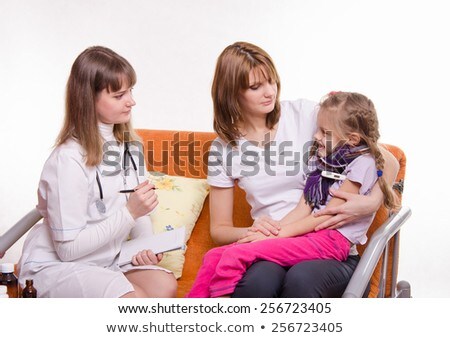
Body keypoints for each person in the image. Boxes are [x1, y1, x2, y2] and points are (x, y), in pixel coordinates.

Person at [197, 41, 399, 298]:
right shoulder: (223, 149)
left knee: (301, 280)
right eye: (255, 87)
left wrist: (371, 202)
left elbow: (384, 159)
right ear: (231, 93)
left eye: (272, 81)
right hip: (272, 243)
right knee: (258, 283)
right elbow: (220, 229)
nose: (269, 92)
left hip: (325, 244)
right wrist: (256, 231)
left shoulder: (305, 114)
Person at [17, 46, 177, 298]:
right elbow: (68, 250)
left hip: (106, 260)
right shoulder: (67, 160)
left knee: (163, 284)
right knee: (133, 300)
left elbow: (141, 214)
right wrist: (129, 212)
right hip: (58, 265)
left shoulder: (130, 147)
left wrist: (145, 247)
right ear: (88, 98)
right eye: (119, 95)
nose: (131, 101)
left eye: (131, 91)